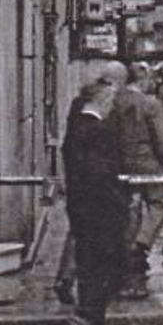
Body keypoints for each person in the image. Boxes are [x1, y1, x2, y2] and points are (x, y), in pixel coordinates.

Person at [53, 60, 129, 306]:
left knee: (80, 236)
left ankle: (69, 281)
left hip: (80, 187)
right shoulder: (99, 117)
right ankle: (92, 307)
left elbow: (68, 146)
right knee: (95, 245)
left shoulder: (80, 107)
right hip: (97, 191)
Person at [108, 61, 163, 300]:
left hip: (119, 163)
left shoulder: (113, 102)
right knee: (160, 202)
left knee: (130, 206)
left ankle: (127, 250)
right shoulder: (150, 104)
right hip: (148, 163)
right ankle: (141, 243)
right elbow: (162, 141)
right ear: (143, 80)